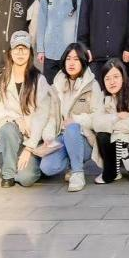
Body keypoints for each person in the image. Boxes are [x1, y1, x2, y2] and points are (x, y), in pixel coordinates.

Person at [0, 31, 54, 188]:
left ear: (30, 52)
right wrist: (16, 119)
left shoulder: (39, 80)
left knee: (26, 178)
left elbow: (42, 116)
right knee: (7, 128)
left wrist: (29, 147)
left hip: (34, 139)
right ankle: (8, 173)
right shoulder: (3, 80)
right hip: (14, 137)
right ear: (10, 52)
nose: (20, 53)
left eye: (24, 48)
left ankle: (35, 164)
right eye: (16, 49)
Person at [42, 42, 103, 192]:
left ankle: (77, 173)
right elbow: (51, 116)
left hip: (84, 137)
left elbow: (98, 117)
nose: (71, 63)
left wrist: (76, 120)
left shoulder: (92, 85)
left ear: (83, 61)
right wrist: (48, 136)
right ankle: (72, 161)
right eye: (68, 58)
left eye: (76, 59)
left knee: (72, 128)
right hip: (62, 137)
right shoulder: (56, 86)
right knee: (47, 167)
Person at [36, 0, 83, 84]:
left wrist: (78, 50)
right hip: (50, 53)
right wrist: (40, 49)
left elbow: (80, 23)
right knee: (50, 90)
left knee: (70, 89)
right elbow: (42, 20)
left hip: (70, 54)